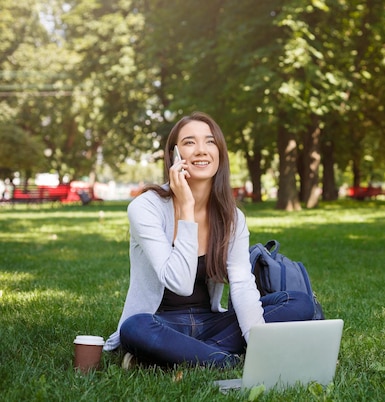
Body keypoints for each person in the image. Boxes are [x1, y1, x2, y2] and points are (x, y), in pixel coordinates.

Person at [103, 112, 315, 368]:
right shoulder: (146, 208)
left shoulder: (232, 217)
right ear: (175, 155)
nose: (201, 150)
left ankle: (186, 356)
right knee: (134, 327)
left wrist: (260, 345)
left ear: (220, 154)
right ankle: (222, 360)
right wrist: (187, 209)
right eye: (190, 142)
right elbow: (180, 284)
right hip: (160, 322)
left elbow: (242, 284)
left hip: (211, 324)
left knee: (298, 303)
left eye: (210, 142)